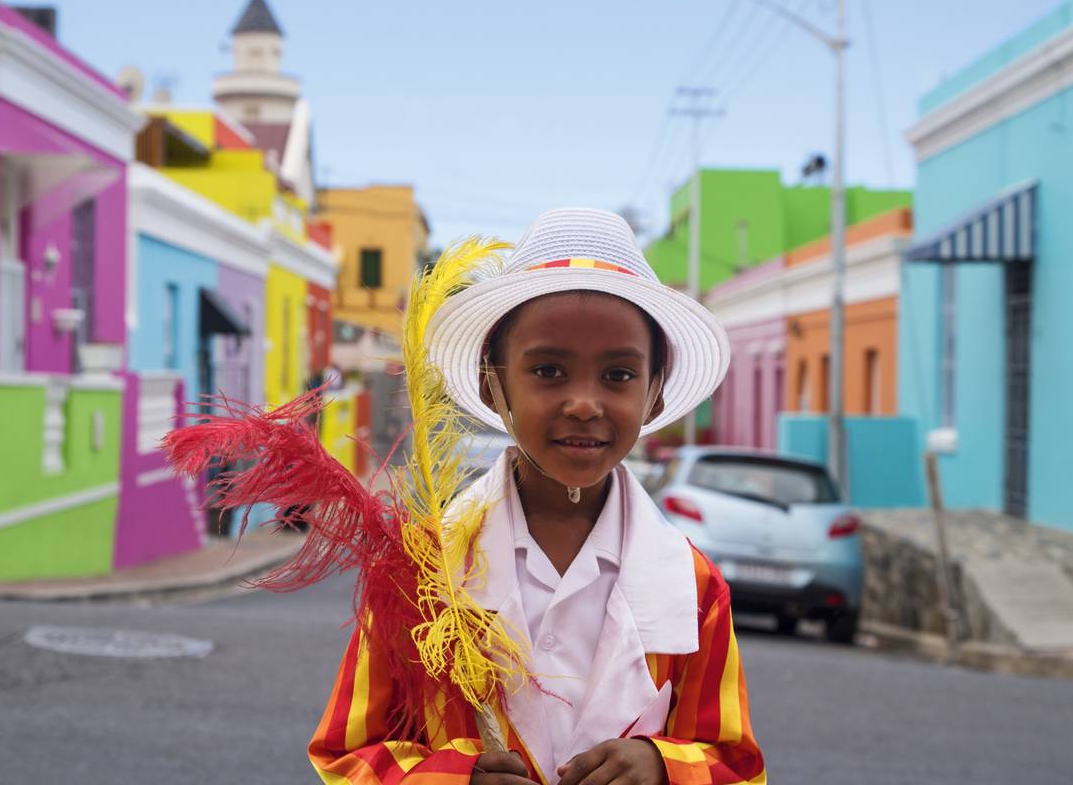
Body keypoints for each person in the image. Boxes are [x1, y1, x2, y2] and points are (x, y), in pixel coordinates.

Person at [309, 209, 764, 785]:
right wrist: (449, 777)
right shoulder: (419, 569)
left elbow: (736, 762)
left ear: (655, 394)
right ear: (490, 384)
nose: (583, 403)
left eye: (619, 376)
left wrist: (663, 766)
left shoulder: (693, 588)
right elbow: (348, 752)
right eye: (548, 370)